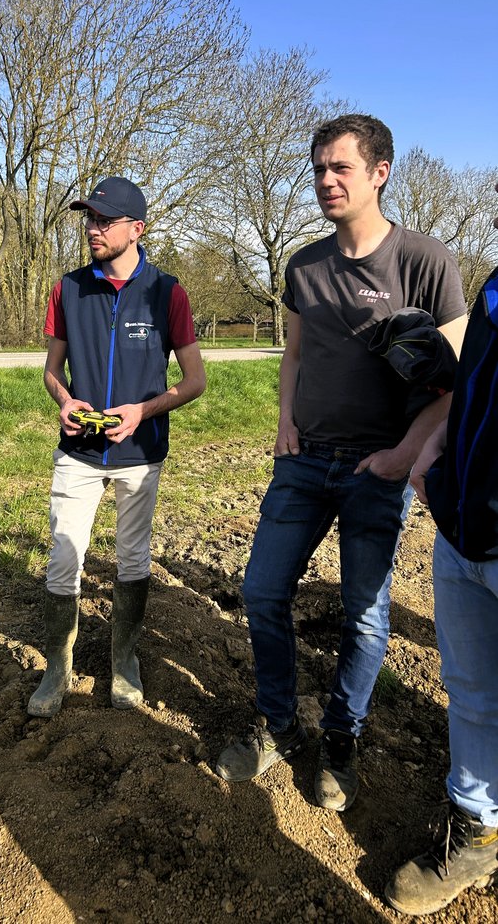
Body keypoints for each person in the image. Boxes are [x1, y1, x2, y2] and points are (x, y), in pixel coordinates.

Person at [216, 114, 468, 812]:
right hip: (304, 462)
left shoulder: (426, 261)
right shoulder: (304, 265)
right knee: (263, 592)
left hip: (377, 470)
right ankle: (278, 723)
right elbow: (295, 355)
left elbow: (460, 383)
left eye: (341, 168)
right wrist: (284, 421)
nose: (326, 180)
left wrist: (404, 456)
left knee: (363, 614)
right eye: (319, 169)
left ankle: (341, 740)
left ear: (379, 173)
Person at [28, 176, 206, 718]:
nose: (93, 229)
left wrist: (141, 412)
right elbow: (51, 371)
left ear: (137, 229)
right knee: (63, 557)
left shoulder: (167, 292)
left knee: (132, 557)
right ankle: (57, 667)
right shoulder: (68, 288)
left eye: (105, 220)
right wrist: (65, 400)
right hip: (77, 452)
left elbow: (194, 381)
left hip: (140, 454)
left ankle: (124, 660)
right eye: (90, 218)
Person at [384, 183, 498, 916]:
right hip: (461, 529)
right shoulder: (494, 291)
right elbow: (473, 392)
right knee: (472, 691)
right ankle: (478, 830)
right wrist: (433, 445)